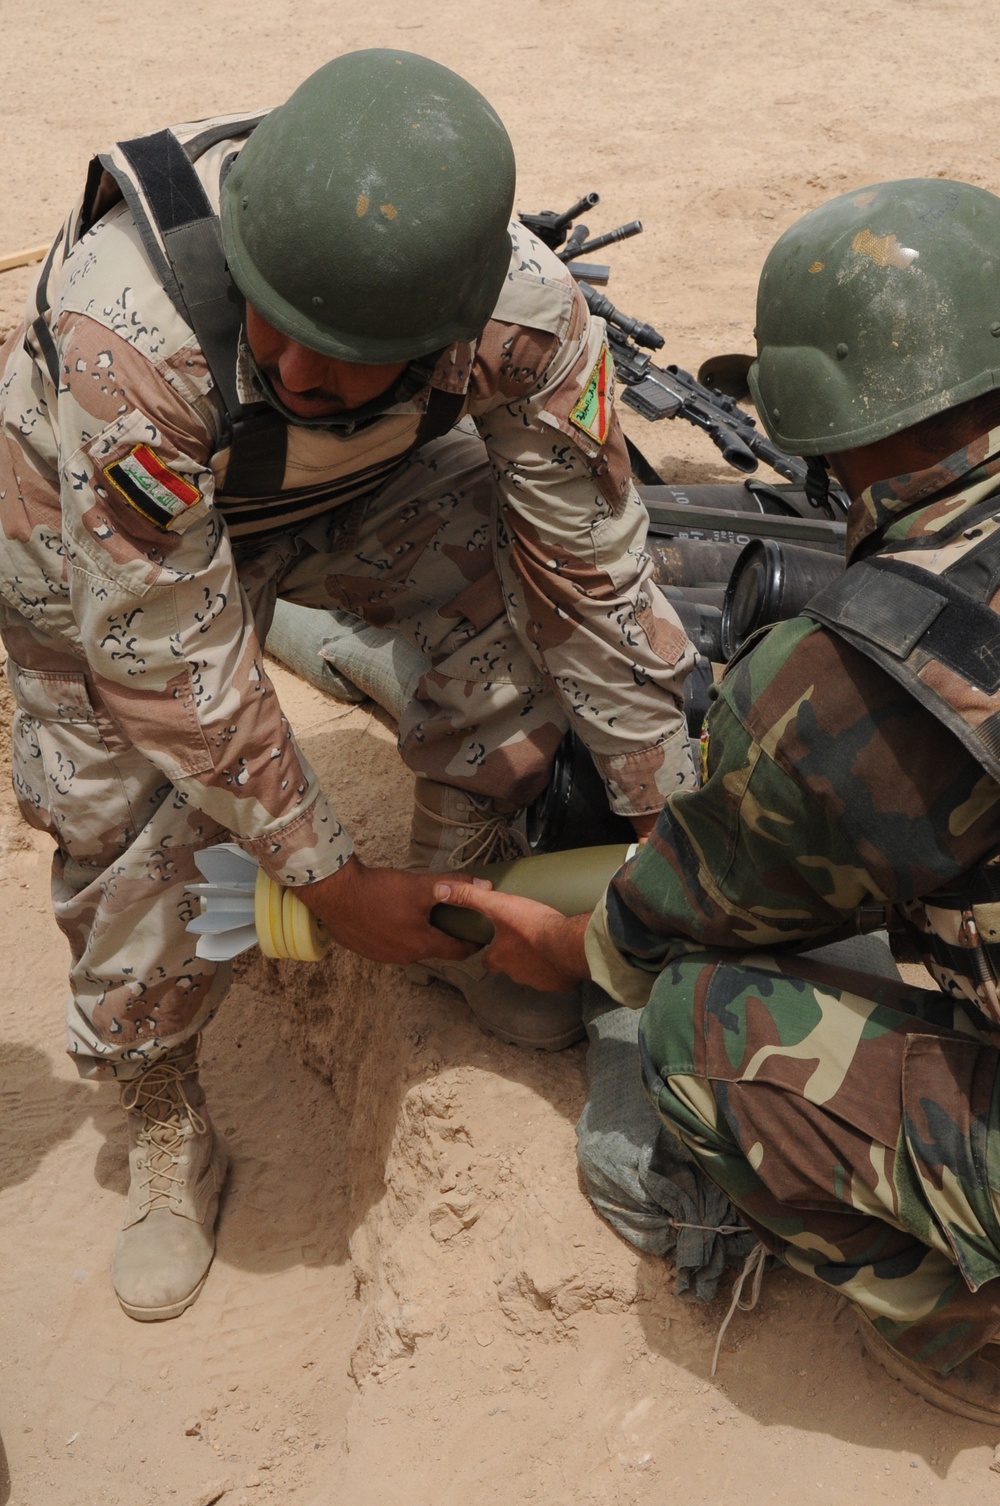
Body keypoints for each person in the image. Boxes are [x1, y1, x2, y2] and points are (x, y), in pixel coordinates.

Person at [0, 50, 696, 1320]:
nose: (302, 369)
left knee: (521, 600)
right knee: (121, 814)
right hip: (101, 555)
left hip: (349, 495)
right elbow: (166, 651)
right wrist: (327, 876)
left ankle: (456, 912)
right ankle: (161, 1099)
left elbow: (591, 572)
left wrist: (666, 820)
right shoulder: (131, 333)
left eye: (350, 353)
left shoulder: (520, 310)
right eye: (282, 326)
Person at [436, 177, 1000, 1423]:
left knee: (700, 1026)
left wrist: (575, 943)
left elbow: (681, 917)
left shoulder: (852, 690)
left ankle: (972, 1326)